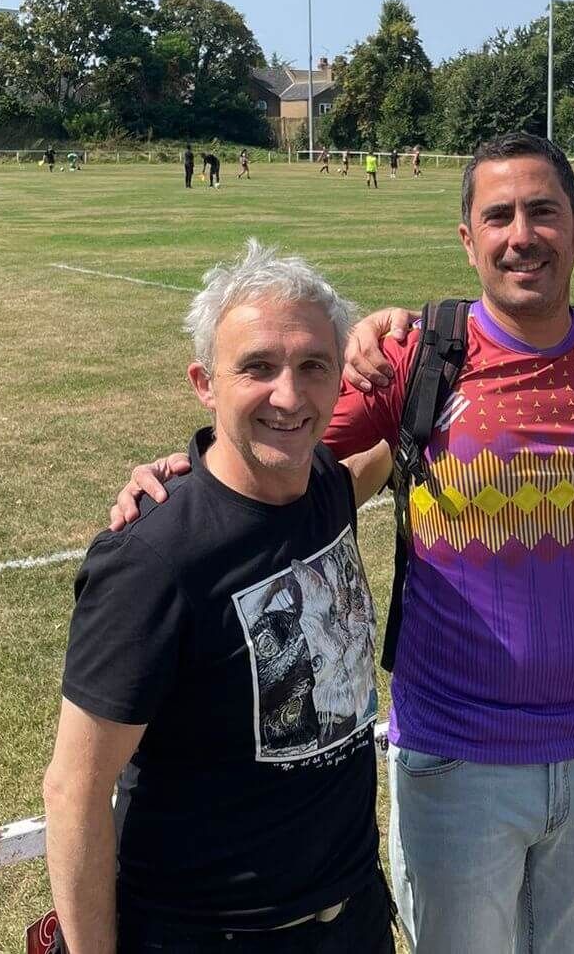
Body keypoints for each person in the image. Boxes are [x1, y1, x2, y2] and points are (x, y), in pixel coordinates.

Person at [111, 133, 574, 954]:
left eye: (543, 212)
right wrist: (178, 478)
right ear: (466, 239)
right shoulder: (421, 356)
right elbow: (277, 452)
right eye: (498, 215)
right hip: (454, 761)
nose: (523, 234)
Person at [44, 240, 395, 954]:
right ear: (205, 382)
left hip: (352, 915)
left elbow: (392, 447)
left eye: (312, 367)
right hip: (212, 935)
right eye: (257, 368)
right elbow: (74, 790)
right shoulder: (154, 557)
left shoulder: (325, 484)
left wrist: (406, 323)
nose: (289, 396)